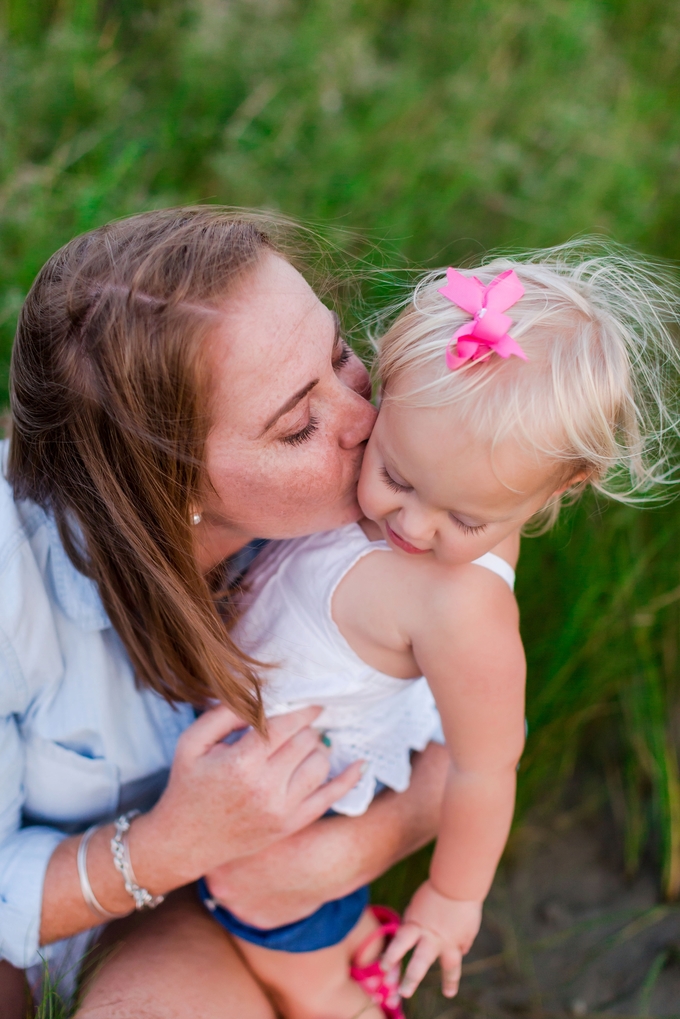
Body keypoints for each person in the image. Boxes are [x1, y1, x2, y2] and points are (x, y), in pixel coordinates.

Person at [195, 244, 680, 1018]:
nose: (410, 525)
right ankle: (358, 943)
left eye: (463, 517)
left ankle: (349, 994)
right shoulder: (436, 459)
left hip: (300, 799)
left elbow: (486, 767)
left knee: (295, 975)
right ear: (382, 393)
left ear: (563, 483)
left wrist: (453, 897)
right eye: (396, 476)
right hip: (243, 744)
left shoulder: (465, 611)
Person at [0, 208, 450, 1018]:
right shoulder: (11, 593)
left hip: (209, 910)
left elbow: (481, 733)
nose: (365, 420)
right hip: (71, 901)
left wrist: (333, 854)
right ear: (162, 491)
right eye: (298, 425)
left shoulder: (397, 504)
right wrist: (175, 843)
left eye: (342, 354)